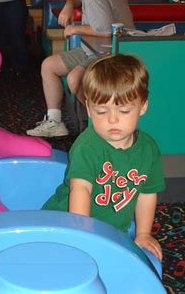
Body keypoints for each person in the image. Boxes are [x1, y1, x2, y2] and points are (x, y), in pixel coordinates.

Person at [42, 55, 165, 260]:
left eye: (124, 110)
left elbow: (146, 193)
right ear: (89, 108)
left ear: (142, 107)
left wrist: (143, 233)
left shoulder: (148, 149)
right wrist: (82, 237)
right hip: (65, 225)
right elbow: (80, 189)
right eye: (101, 111)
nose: (113, 119)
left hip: (111, 230)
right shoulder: (87, 146)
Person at [26, 0, 135, 137]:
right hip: (90, 49)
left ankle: (100, 125)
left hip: (110, 52)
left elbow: (106, 31)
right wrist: (69, 5)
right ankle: (55, 122)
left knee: (75, 79)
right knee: (49, 66)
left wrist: (74, 29)